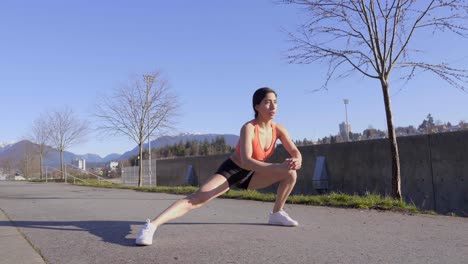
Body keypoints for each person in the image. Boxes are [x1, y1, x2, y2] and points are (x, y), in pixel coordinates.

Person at [136, 87, 302, 246]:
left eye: (275, 101)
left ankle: (276, 214)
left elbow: (294, 149)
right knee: (197, 199)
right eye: (267, 102)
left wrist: (297, 158)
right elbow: (246, 161)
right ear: (257, 106)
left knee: (290, 174)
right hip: (232, 171)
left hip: (253, 175)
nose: (273, 106)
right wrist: (276, 167)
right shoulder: (249, 128)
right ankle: (151, 226)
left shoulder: (278, 128)